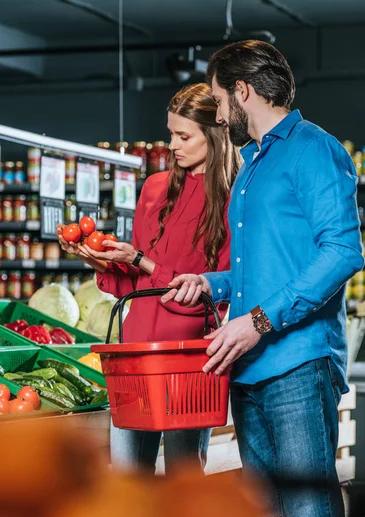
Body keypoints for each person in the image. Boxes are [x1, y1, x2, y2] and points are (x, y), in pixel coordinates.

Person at [161, 41, 364, 517]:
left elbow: (342, 252)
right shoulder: (250, 167)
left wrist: (257, 321)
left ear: (242, 91)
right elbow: (264, 272)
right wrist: (212, 282)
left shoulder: (314, 149)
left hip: (297, 363)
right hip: (248, 368)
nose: (218, 110)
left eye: (219, 98)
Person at [56, 82, 240, 475]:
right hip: (135, 352)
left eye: (183, 136)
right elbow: (133, 285)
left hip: (188, 358)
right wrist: (97, 259)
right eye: (170, 133)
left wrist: (142, 260)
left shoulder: (234, 198)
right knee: (127, 478)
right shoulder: (156, 188)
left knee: (182, 477)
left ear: (215, 134)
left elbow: (216, 288)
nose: (173, 145)